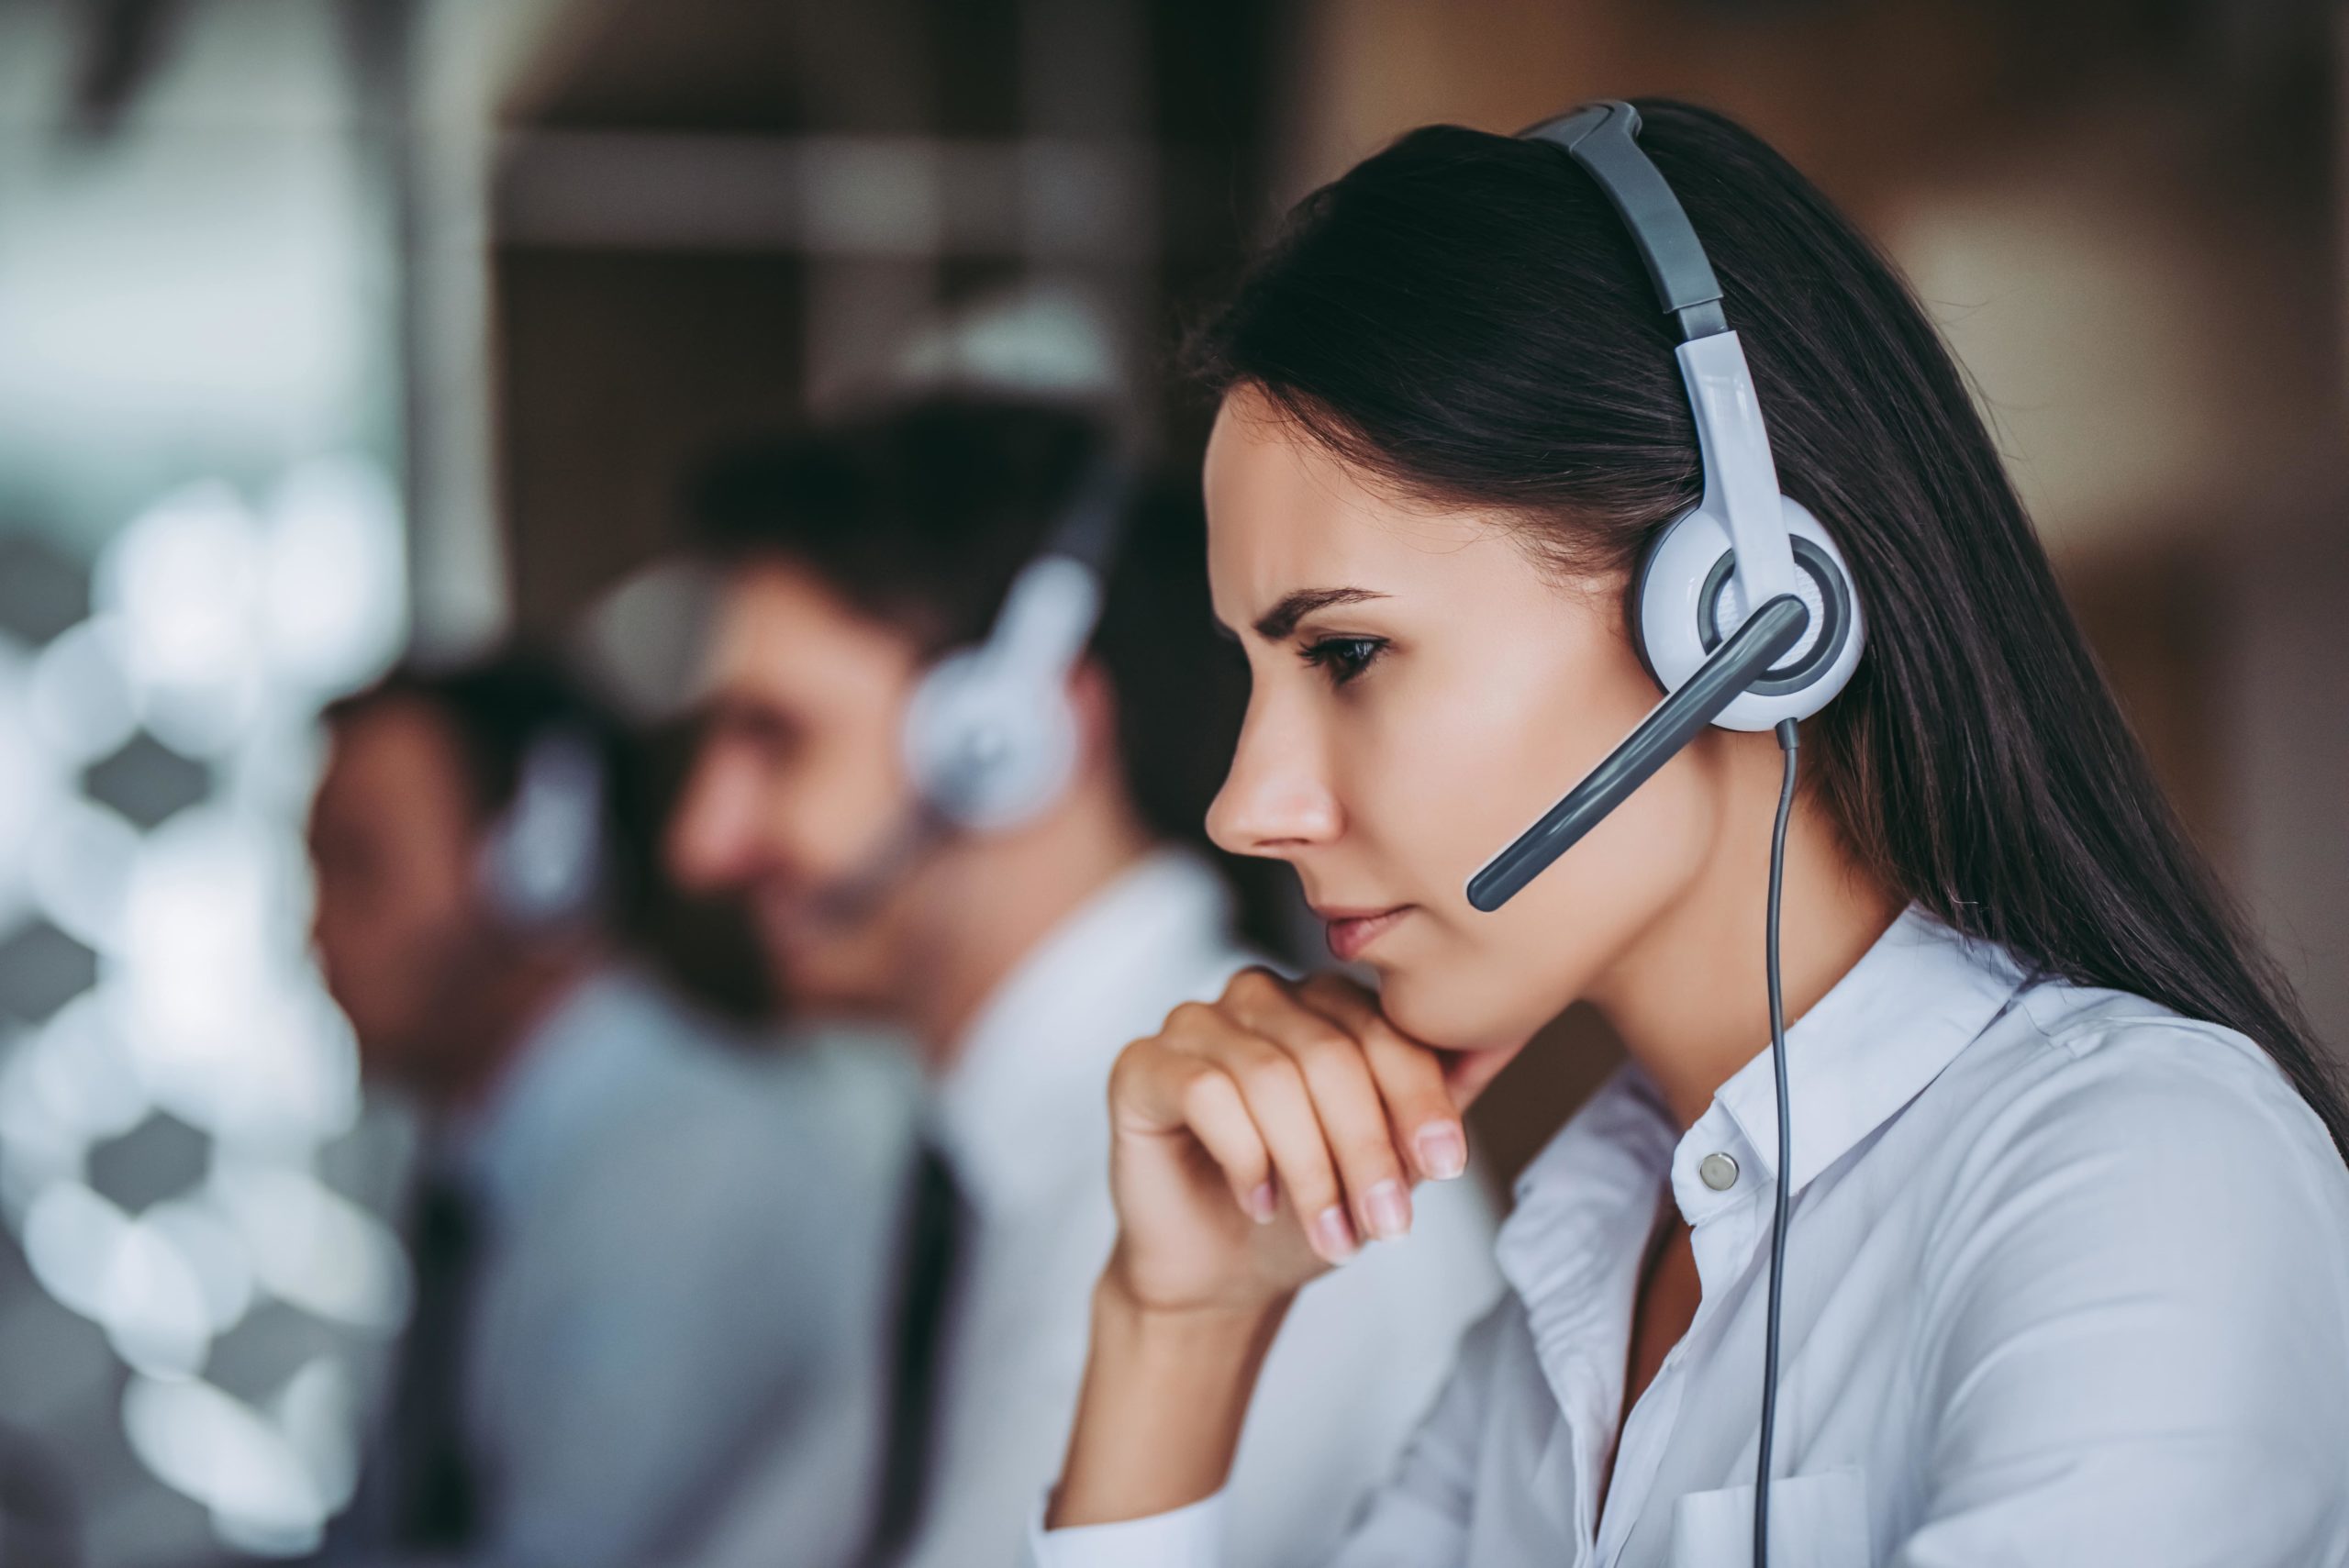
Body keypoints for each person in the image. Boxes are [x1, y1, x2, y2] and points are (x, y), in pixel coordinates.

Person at [1032, 98, 2349, 1567]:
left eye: (1344, 655)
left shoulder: (2138, 1177)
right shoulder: (1574, 1292)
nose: (1247, 806)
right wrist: (1176, 1331)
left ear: (1742, 609)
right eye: (1249, 675)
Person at [667, 395, 1502, 1568]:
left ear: (1009, 743)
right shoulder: (968, 1157)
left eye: (777, 738)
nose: (701, 841)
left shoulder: (1265, 1147)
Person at [305, 650, 907, 1568]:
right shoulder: (474, 1164)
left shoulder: (686, 1170)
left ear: (539, 867)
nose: (313, 929)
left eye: (356, 865)